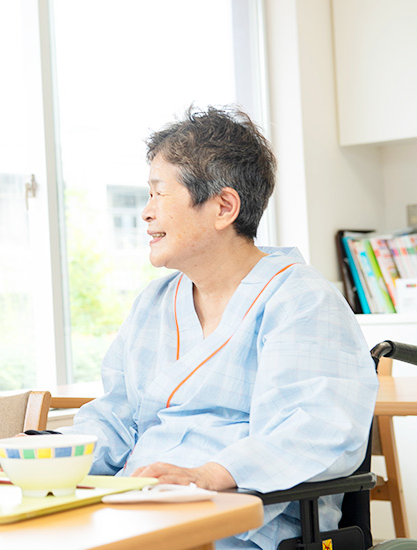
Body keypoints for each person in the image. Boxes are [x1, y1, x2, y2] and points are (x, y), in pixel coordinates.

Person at [57, 106, 378, 549]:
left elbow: (317, 429)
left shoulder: (301, 300)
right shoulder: (154, 303)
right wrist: (43, 457)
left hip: (246, 528)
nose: (146, 213)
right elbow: (114, 419)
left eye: (159, 193)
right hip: (140, 516)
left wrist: (210, 475)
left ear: (224, 207)